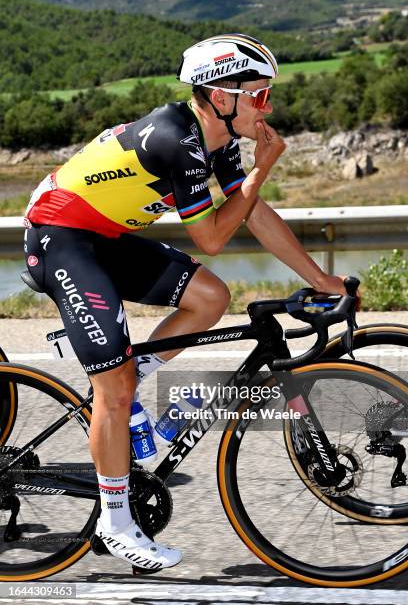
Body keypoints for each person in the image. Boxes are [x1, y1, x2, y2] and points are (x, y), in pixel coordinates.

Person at [23, 33, 348, 573]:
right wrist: (264, 165)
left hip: (102, 237)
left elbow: (253, 213)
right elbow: (215, 237)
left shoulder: (215, 138)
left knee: (210, 296)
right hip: (60, 237)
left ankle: (120, 391)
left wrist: (320, 277)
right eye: (260, 95)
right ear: (223, 96)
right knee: (117, 383)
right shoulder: (177, 139)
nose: (267, 106)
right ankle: (116, 520)